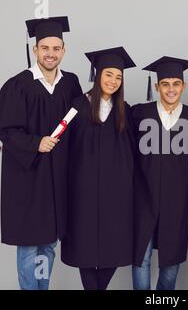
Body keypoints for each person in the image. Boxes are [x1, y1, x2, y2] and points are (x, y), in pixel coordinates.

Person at [0, 16, 82, 290]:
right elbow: (6, 129)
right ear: (35, 50)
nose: (51, 54)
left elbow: (78, 126)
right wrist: (36, 143)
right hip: (29, 177)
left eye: (56, 48)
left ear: (64, 51)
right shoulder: (18, 85)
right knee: (30, 244)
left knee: (49, 242)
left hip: (59, 175)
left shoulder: (71, 84)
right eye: (45, 48)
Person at [61, 47, 136, 290]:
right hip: (83, 189)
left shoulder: (126, 111)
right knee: (84, 246)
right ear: (98, 74)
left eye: (118, 77)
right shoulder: (77, 106)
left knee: (113, 246)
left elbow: (134, 151)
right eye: (108, 74)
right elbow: (60, 143)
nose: (113, 81)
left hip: (117, 191)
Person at [131, 56, 188, 290]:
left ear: (183, 86)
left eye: (176, 83)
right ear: (156, 86)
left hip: (176, 199)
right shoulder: (140, 114)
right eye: (165, 84)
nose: (171, 89)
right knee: (142, 258)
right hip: (143, 197)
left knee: (171, 262)